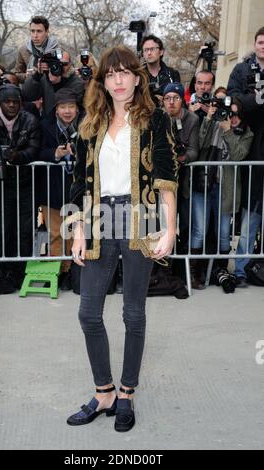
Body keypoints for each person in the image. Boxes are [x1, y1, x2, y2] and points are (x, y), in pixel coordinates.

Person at [65, 45, 177, 432]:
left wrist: (171, 228)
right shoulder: (90, 123)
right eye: (111, 74)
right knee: (88, 312)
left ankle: (126, 393)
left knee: (133, 313)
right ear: (103, 81)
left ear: (136, 76)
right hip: (98, 219)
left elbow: (166, 177)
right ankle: (104, 392)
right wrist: (78, 229)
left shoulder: (154, 119)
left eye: (125, 72)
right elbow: (79, 181)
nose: (118, 80)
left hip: (140, 218)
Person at [0, 84, 40, 294]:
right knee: (1, 229)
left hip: (24, 184)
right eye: (7, 101)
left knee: (23, 229)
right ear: (0, 102)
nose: (12, 105)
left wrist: (18, 157)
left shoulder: (30, 120)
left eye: (16, 101)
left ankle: (19, 273)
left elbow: (34, 149)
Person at [190, 92, 253, 291]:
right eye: (229, 113)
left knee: (224, 234)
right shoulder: (214, 124)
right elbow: (199, 144)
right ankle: (194, 272)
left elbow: (238, 156)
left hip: (226, 188)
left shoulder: (246, 133)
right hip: (204, 183)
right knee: (199, 230)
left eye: (236, 115)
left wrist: (228, 133)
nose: (232, 118)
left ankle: (221, 270)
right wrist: (209, 119)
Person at [227, 26, 264, 287]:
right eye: (261, 42)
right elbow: (234, 100)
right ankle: (240, 268)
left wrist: (250, 102)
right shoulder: (242, 69)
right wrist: (253, 102)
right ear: (255, 44)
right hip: (252, 144)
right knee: (250, 213)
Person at [37, 88, 84, 290]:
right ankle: (59, 272)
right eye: (63, 107)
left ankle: (74, 273)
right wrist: (54, 154)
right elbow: (37, 150)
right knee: (56, 233)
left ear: (77, 109)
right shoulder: (44, 126)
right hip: (52, 188)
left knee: (75, 233)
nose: (67, 111)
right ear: (56, 109)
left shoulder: (85, 126)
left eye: (71, 107)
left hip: (77, 189)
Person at [162, 82, 199, 251]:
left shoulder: (192, 119)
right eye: (167, 98)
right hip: (162, 178)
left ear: (181, 100)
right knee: (162, 223)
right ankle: (161, 266)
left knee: (185, 223)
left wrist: (181, 157)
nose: (171, 102)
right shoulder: (158, 118)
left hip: (184, 178)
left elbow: (193, 150)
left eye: (175, 98)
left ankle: (181, 266)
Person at [22, 50, 84, 117]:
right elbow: (27, 96)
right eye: (57, 63)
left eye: (64, 64)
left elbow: (70, 106)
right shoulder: (44, 78)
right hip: (47, 122)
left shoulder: (77, 82)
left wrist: (57, 84)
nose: (60, 67)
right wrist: (37, 76)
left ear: (70, 64)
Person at [14, 15, 58, 83]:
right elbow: (16, 75)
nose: (35, 35)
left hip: (52, 88)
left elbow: (67, 72)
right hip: (31, 88)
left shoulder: (57, 49)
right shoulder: (23, 50)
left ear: (46, 32)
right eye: (32, 31)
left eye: (39, 31)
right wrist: (26, 76)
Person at [141, 34, 181, 107]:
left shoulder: (172, 74)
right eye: (146, 50)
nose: (149, 53)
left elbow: (179, 100)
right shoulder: (138, 75)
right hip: (144, 115)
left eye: (152, 49)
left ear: (161, 52)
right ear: (143, 54)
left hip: (168, 115)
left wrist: (165, 101)